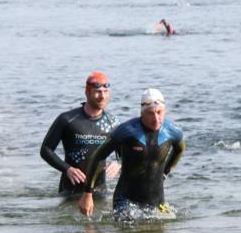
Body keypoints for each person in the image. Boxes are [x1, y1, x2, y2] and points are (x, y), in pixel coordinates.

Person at [78, 88, 185, 218]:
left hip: (156, 201)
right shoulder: (126, 131)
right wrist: (87, 194)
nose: (156, 118)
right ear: (142, 113)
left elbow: (179, 150)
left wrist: (165, 171)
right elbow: (98, 156)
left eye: (159, 112)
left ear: (165, 111)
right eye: (150, 113)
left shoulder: (173, 131)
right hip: (125, 200)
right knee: (128, 231)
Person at [40, 72, 121, 196]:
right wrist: (67, 169)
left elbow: (126, 154)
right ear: (87, 93)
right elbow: (46, 149)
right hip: (70, 192)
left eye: (105, 91)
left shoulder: (113, 123)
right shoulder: (67, 119)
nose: (102, 96)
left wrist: (119, 164)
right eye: (98, 91)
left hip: (99, 192)